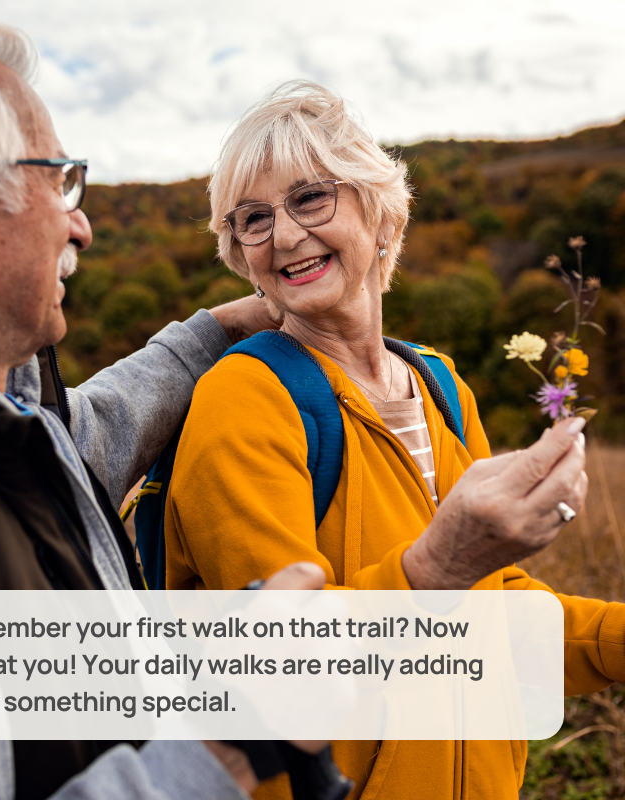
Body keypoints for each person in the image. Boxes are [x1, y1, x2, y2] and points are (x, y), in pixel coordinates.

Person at [0, 19, 328, 800]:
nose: (81, 224)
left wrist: (213, 333)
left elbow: (75, 444)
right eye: (59, 180)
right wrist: (226, 743)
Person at [163, 82, 625, 800]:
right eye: (253, 219)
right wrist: (439, 563)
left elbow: (494, 617)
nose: (284, 235)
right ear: (239, 253)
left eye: (311, 199)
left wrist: (614, 638)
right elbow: (285, 668)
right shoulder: (243, 400)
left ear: (381, 215)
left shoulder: (440, 383)